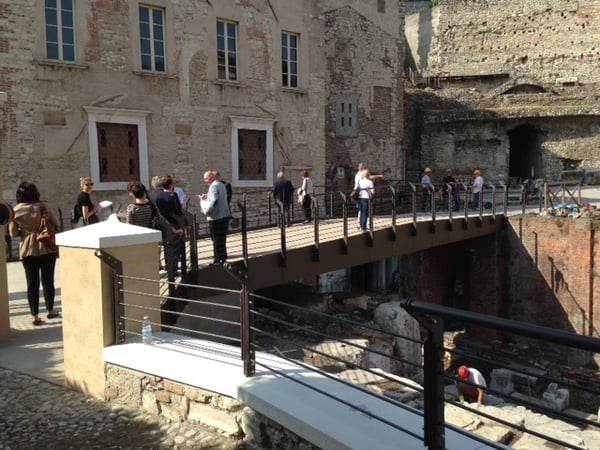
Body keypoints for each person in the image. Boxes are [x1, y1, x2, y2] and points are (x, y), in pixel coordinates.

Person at [9, 182, 60, 325]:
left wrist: (26, 232)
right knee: (48, 280)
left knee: (32, 283)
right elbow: (56, 224)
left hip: (28, 249)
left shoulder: (16, 210)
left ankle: (35, 316)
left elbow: (13, 233)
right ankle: (50, 310)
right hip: (46, 246)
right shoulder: (44, 206)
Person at [150, 175, 185, 270]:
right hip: (172, 223)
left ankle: (168, 266)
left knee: (166, 245)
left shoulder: (152, 195)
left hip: (159, 223)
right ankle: (172, 268)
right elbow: (178, 210)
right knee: (173, 246)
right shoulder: (172, 195)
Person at [201, 170, 231, 265]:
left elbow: (214, 201)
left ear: (211, 177)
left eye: (206, 178)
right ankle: (223, 257)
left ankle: (217, 260)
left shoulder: (213, 186)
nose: (205, 181)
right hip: (224, 215)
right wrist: (208, 196)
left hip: (216, 217)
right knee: (222, 238)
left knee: (216, 239)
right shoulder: (221, 185)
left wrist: (206, 211)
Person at [354, 162, 384, 227]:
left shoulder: (359, 175)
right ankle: (361, 225)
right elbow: (370, 177)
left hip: (359, 195)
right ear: (363, 168)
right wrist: (379, 176)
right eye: (365, 168)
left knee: (361, 210)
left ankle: (361, 224)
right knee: (363, 211)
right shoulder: (361, 175)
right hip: (364, 196)